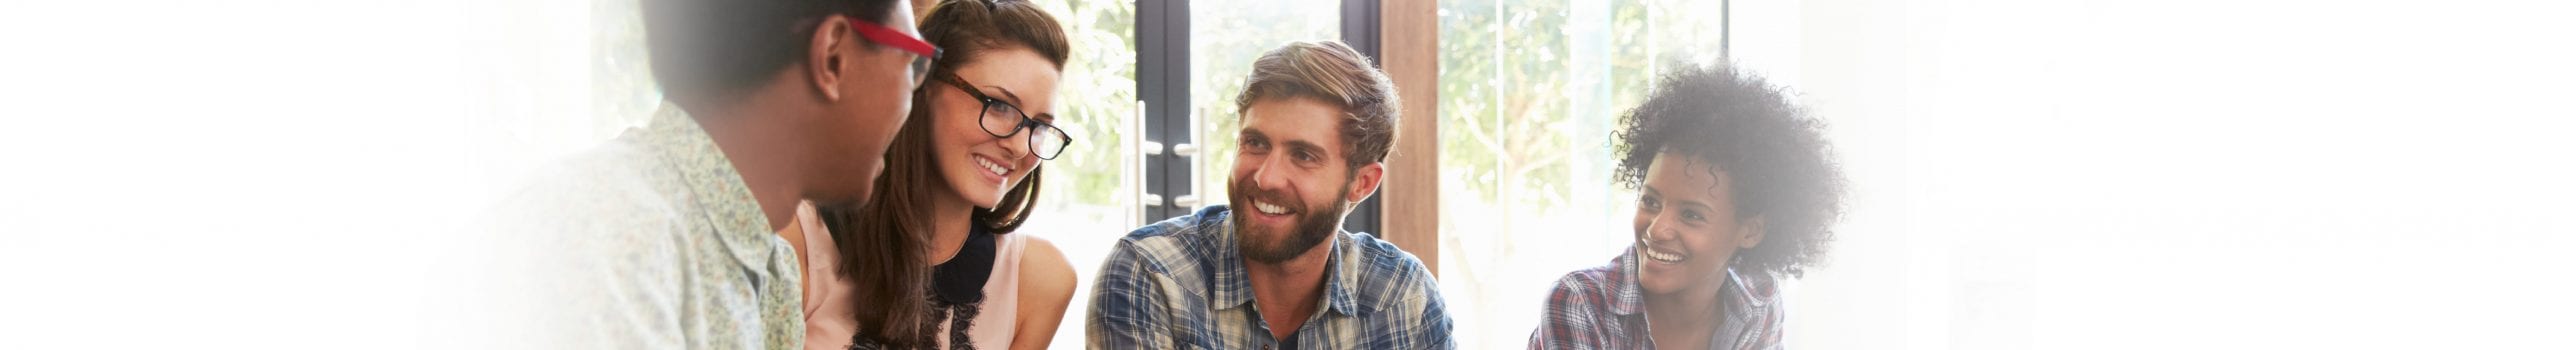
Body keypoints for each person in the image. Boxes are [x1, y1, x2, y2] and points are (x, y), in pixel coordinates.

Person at [484, 0, 935, 348]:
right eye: (913, 59)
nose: (913, 92)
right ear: (833, 56)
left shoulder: (771, 270)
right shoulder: (607, 236)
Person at [1085, 41, 1454, 349]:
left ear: (1362, 183)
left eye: (1303, 156)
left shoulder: (1405, 298)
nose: (1266, 177)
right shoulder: (1149, 274)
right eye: (1255, 143)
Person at [779, 0, 1078, 349]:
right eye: (999, 106)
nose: (1020, 146)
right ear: (924, 84)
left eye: (1039, 126)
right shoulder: (794, 239)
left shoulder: (1040, 280)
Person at [1527, 63, 1846, 350]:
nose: (1657, 228)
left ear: (1751, 231)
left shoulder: (1757, 304)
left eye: (1691, 215)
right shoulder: (1580, 303)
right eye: (1651, 201)